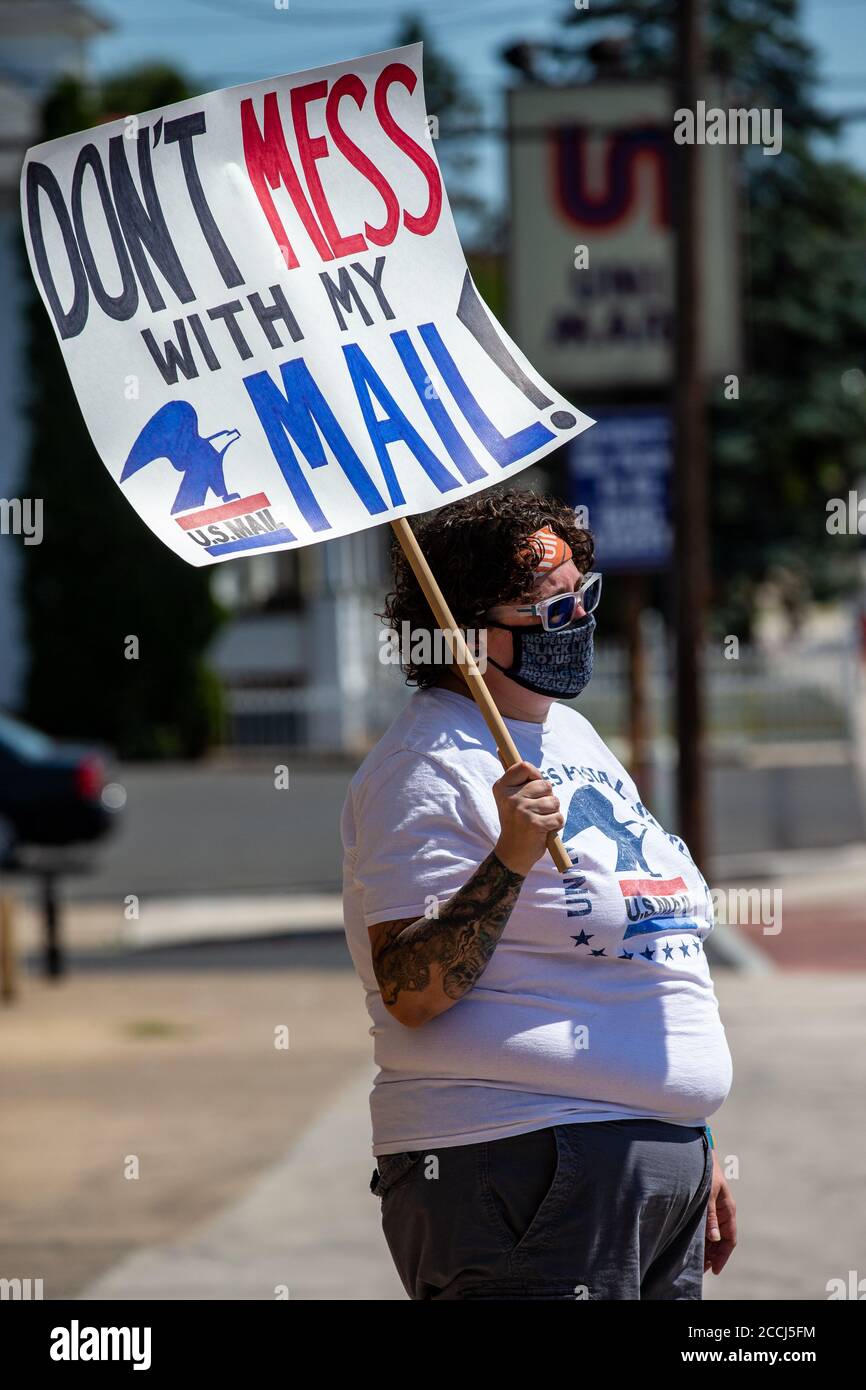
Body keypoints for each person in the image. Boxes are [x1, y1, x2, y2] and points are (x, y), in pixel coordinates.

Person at [340, 489, 736, 1300]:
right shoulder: (426, 765)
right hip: (523, 1158)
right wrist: (509, 858)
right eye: (543, 606)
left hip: (647, 1168)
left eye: (580, 594)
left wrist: (689, 1132)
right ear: (463, 629)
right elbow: (411, 991)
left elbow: (640, 954)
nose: (575, 619)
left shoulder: (565, 731)